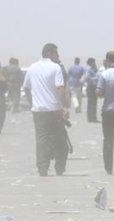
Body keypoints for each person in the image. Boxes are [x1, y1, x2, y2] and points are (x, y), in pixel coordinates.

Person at [23, 43, 70, 177]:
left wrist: (32, 103)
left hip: (38, 112)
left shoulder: (32, 67)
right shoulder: (55, 68)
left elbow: (26, 87)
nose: (58, 56)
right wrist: (65, 107)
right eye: (56, 53)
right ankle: (60, 168)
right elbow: (60, 89)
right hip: (54, 110)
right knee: (60, 139)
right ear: (49, 53)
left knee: (41, 140)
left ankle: (42, 169)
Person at [84, 57, 100, 123]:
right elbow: (87, 78)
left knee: (94, 103)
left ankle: (94, 117)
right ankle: (90, 118)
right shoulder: (88, 69)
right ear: (91, 63)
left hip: (94, 87)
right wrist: (95, 78)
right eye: (93, 62)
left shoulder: (95, 69)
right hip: (90, 87)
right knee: (90, 103)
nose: (94, 63)